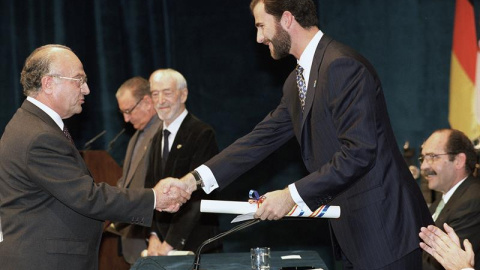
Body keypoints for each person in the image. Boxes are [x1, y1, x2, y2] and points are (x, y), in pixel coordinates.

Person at [175, 0, 433, 269]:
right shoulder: (295, 82)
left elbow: (358, 153)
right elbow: (259, 140)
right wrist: (193, 181)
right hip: (356, 235)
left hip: (386, 232)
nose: (259, 37)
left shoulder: (341, 66)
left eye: (262, 26)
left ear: (287, 19)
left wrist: (290, 195)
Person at [0, 44, 190, 270]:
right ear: (49, 83)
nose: (87, 89)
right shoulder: (38, 135)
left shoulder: (33, 125)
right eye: (79, 80)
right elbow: (88, 197)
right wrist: (155, 198)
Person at [144, 68, 221, 256]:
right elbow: (149, 191)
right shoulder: (155, 139)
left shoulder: (202, 134)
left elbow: (199, 195)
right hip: (160, 247)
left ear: (183, 94)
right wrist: (153, 235)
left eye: (167, 93)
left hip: (196, 246)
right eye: (155, 94)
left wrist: (170, 244)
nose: (160, 101)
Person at [111, 76, 161, 264]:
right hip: (135, 243)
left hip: (155, 244)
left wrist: (155, 234)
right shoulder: (136, 136)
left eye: (128, 111)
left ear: (147, 102)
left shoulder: (164, 132)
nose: (126, 118)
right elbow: (128, 182)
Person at [419, 129, 480, 270]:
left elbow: (435, 264)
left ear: (458, 161)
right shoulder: (442, 201)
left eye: (432, 157)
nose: (423, 166)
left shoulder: (473, 202)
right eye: (423, 158)